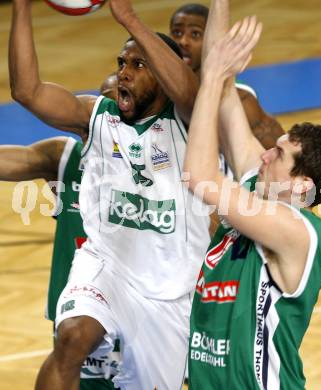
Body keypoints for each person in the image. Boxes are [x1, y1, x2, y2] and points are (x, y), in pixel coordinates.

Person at [9, 0, 210, 389]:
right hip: (106, 264)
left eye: (138, 65)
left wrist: (129, 18)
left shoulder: (190, 122)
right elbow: (27, 91)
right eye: (121, 63)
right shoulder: (97, 116)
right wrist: (21, 7)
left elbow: (189, 91)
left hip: (168, 289)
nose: (123, 74)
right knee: (72, 338)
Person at [183, 2, 321, 388]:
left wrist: (209, 80)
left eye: (279, 154)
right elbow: (225, 89)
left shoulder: (298, 230)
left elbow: (201, 179)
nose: (264, 154)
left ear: (302, 184)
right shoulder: (258, 192)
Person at [0, 74, 119, 389]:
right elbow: (11, 160)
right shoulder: (66, 157)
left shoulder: (158, 163)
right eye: (98, 104)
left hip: (133, 308)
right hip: (78, 308)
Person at [169, 3, 284, 150]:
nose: (183, 41)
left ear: (212, 41)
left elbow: (283, 157)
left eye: (195, 34)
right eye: (177, 33)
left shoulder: (241, 101)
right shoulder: (156, 88)